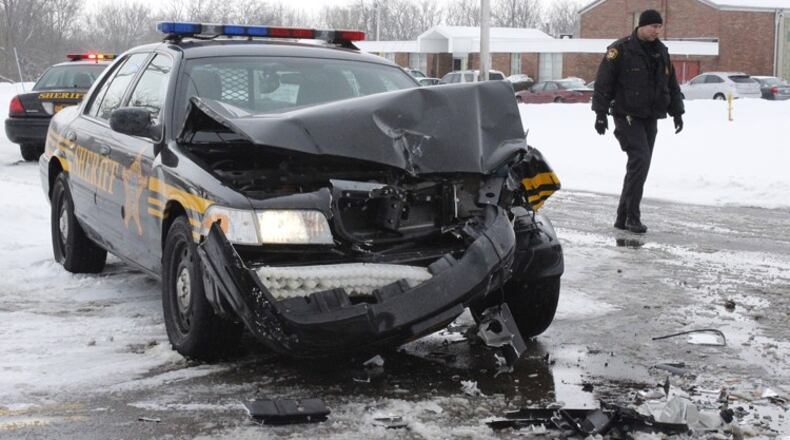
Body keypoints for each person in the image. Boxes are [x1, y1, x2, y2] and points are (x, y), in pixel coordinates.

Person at [592, 9, 684, 234]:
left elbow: (670, 83)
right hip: (626, 115)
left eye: (659, 27)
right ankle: (633, 217)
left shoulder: (661, 51)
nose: (656, 31)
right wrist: (600, 114)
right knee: (640, 160)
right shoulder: (621, 49)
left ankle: (622, 217)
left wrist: (677, 112)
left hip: (650, 116)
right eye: (653, 26)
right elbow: (603, 82)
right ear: (641, 26)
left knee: (639, 167)